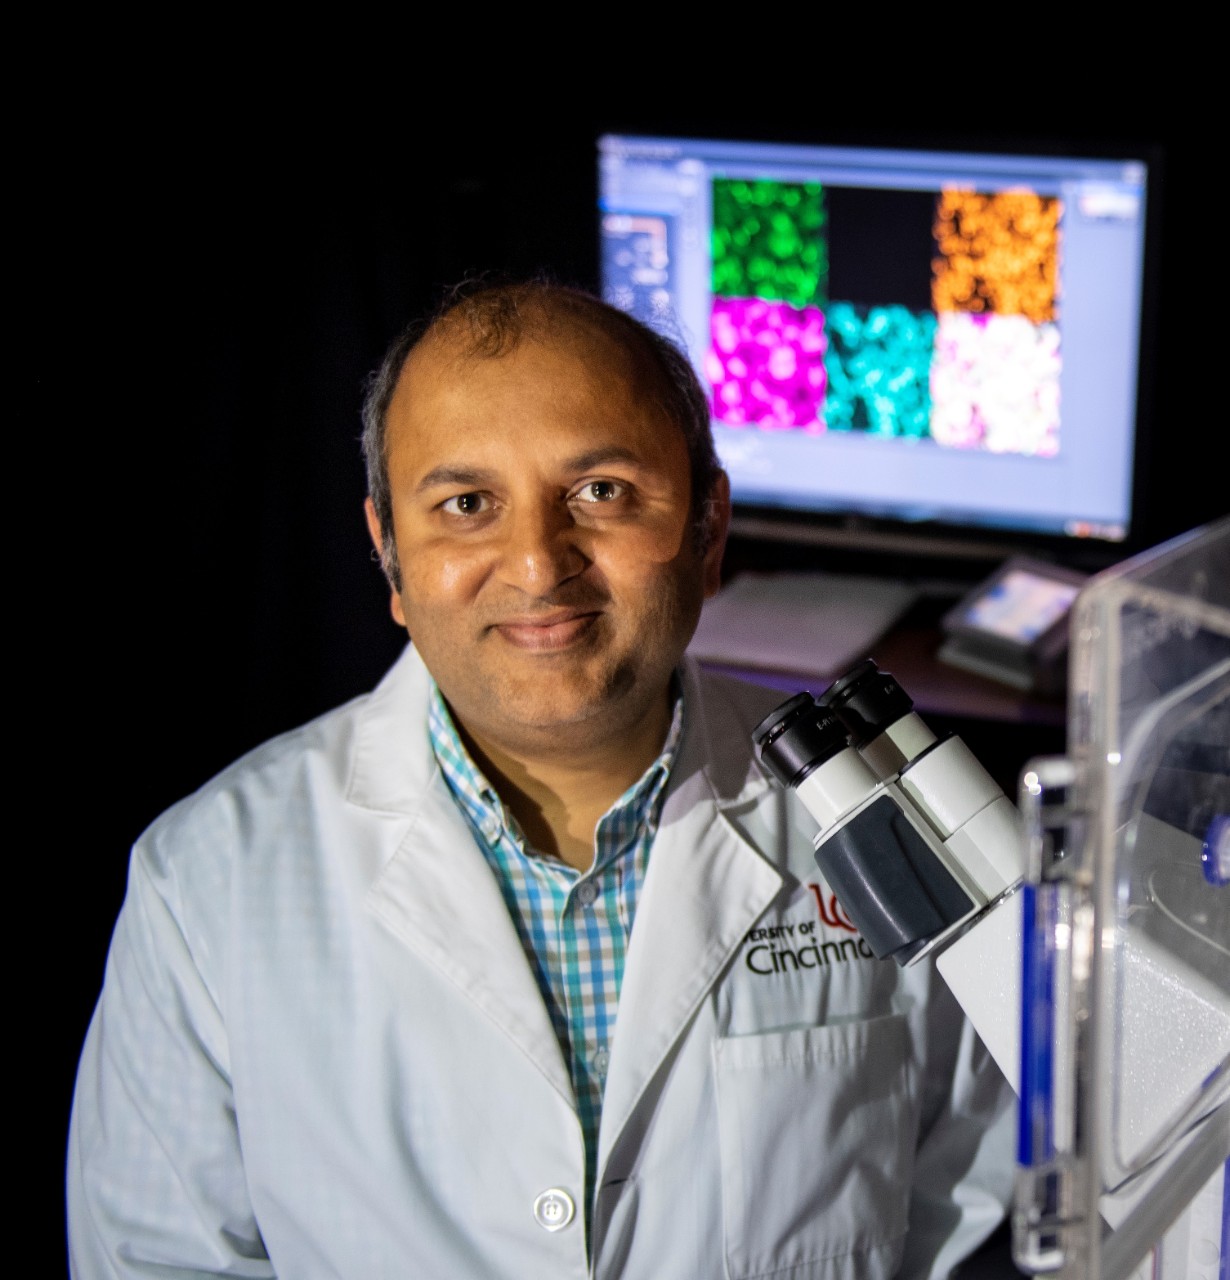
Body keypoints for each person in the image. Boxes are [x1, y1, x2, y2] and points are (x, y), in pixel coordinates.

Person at [67, 280, 1014, 1278]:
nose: (535, 563)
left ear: (708, 529)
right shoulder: (205, 882)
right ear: (390, 555)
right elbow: (156, 1260)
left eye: (601, 491)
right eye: (467, 505)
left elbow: (981, 1190)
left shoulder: (899, 816)